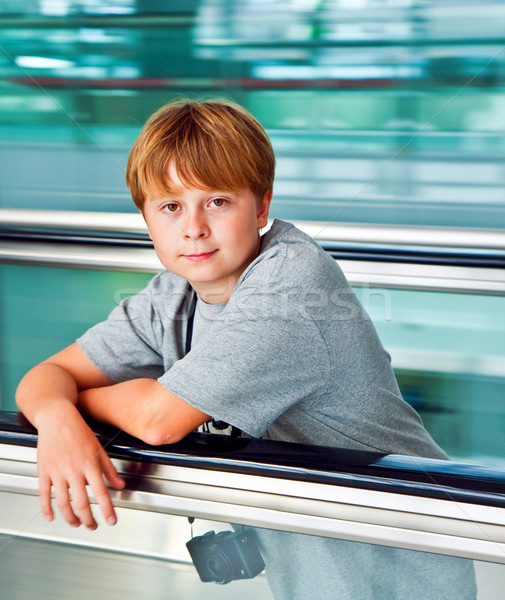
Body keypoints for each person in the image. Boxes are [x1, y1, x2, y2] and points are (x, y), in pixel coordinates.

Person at [15, 98, 476, 599]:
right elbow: (47, 373)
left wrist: (84, 398)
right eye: (171, 206)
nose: (193, 228)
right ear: (146, 219)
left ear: (261, 206)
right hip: (310, 561)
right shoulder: (174, 293)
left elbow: (157, 421)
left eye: (217, 201)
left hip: (399, 563)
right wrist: (59, 421)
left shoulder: (291, 286)